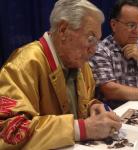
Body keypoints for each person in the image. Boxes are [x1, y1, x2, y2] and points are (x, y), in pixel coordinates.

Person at [0, 0, 122, 149]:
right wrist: (81, 129)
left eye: (97, 41)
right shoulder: (23, 65)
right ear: (63, 30)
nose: (94, 50)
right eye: (90, 39)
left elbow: (86, 100)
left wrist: (93, 106)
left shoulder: (80, 64)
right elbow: (9, 131)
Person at [90, 0, 138, 109]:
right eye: (131, 25)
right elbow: (111, 90)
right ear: (114, 25)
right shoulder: (101, 50)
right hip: (117, 115)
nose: (137, 31)